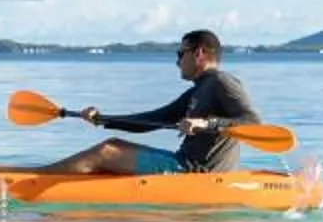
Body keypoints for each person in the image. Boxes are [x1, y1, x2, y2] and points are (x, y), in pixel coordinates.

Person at [17, 29, 259, 175]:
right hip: (183, 164)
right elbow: (152, 120)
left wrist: (207, 124)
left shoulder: (222, 82)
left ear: (199, 53)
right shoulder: (197, 91)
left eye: (180, 54)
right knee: (111, 148)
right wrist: (103, 119)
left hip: (195, 172)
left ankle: (32, 178)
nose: (177, 62)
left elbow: (253, 122)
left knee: (108, 151)